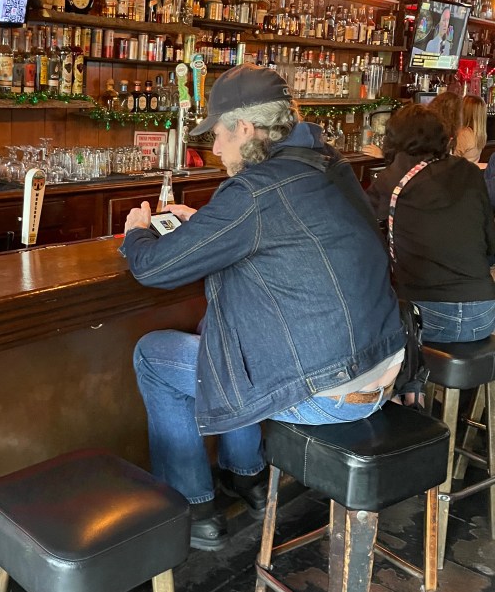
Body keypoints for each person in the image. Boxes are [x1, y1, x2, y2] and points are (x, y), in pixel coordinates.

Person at [122, 65, 405, 551]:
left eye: (218, 134)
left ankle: (193, 508)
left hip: (328, 393)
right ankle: (246, 476)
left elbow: (154, 268)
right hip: (385, 371)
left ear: (245, 128)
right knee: (239, 335)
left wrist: (136, 233)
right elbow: (281, 231)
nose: (214, 148)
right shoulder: (328, 164)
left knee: (154, 355)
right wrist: (210, 224)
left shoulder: (254, 190)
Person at [368, 104, 495, 343]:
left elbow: (363, 227)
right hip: (484, 312)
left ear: (394, 138)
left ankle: (409, 369)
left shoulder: (393, 177)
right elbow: (490, 244)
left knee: (369, 320)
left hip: (428, 310)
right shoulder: (468, 171)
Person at [455, 95, 487, 163]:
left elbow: (450, 161)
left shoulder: (463, 135)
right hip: (471, 169)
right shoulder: (479, 135)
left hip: (459, 169)